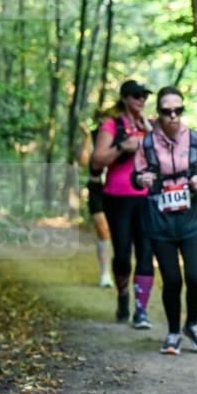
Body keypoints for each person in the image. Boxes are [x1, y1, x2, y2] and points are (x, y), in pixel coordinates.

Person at [133, 87, 197, 355]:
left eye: (178, 110)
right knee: (172, 280)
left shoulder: (195, 138)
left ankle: (193, 324)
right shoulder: (146, 143)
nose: (173, 116)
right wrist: (142, 179)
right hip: (160, 219)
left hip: (192, 216)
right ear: (158, 113)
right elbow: (136, 175)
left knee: (196, 276)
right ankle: (173, 332)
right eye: (167, 111)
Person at [91, 80, 156, 328]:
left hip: (147, 197)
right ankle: (123, 296)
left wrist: (148, 130)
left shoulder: (150, 124)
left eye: (144, 96)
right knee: (122, 255)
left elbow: (165, 153)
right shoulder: (112, 125)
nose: (141, 100)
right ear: (125, 98)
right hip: (117, 197)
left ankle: (141, 311)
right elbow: (97, 161)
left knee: (146, 253)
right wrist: (123, 146)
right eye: (136, 95)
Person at [78, 116, 113, 288]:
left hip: (116, 189)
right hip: (96, 188)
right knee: (102, 230)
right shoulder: (92, 136)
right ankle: (105, 273)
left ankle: (118, 270)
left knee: (116, 232)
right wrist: (86, 137)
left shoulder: (120, 135)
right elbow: (83, 161)